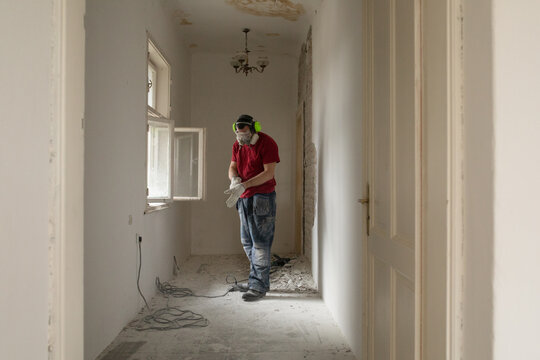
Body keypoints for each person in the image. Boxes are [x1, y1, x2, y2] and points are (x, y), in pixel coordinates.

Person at [224, 114, 280, 301]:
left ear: (254, 129)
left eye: (245, 133)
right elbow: (232, 166)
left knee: (260, 244)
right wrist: (235, 180)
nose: (241, 137)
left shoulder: (267, 143)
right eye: (238, 133)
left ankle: (258, 286)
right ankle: (257, 280)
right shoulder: (237, 145)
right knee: (247, 241)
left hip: (262, 197)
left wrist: (245, 185)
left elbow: (268, 173)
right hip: (243, 197)